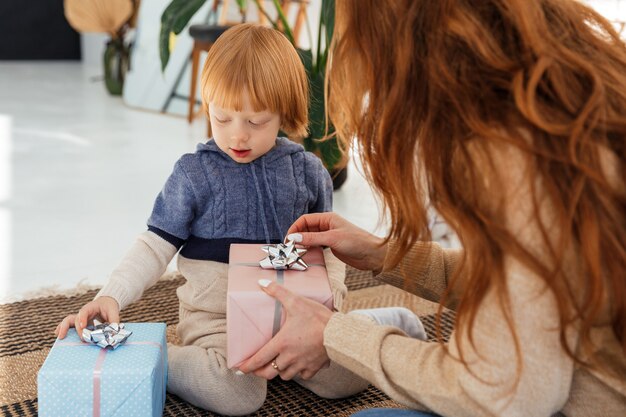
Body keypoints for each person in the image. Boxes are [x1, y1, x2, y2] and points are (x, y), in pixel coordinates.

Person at [238, 1, 626, 416]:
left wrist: (334, 333)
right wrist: (387, 255)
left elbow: (501, 394)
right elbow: (526, 287)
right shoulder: (565, 99)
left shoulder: (513, 158)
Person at [53, 23, 426, 415]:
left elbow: (327, 249)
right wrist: (110, 295)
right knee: (238, 394)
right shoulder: (193, 174)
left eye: (256, 121)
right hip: (216, 323)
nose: (237, 136)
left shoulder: (310, 173)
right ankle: (157, 356)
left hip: (296, 316)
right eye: (222, 117)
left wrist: (332, 300)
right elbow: (154, 244)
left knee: (343, 382)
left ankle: (376, 322)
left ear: (285, 110)